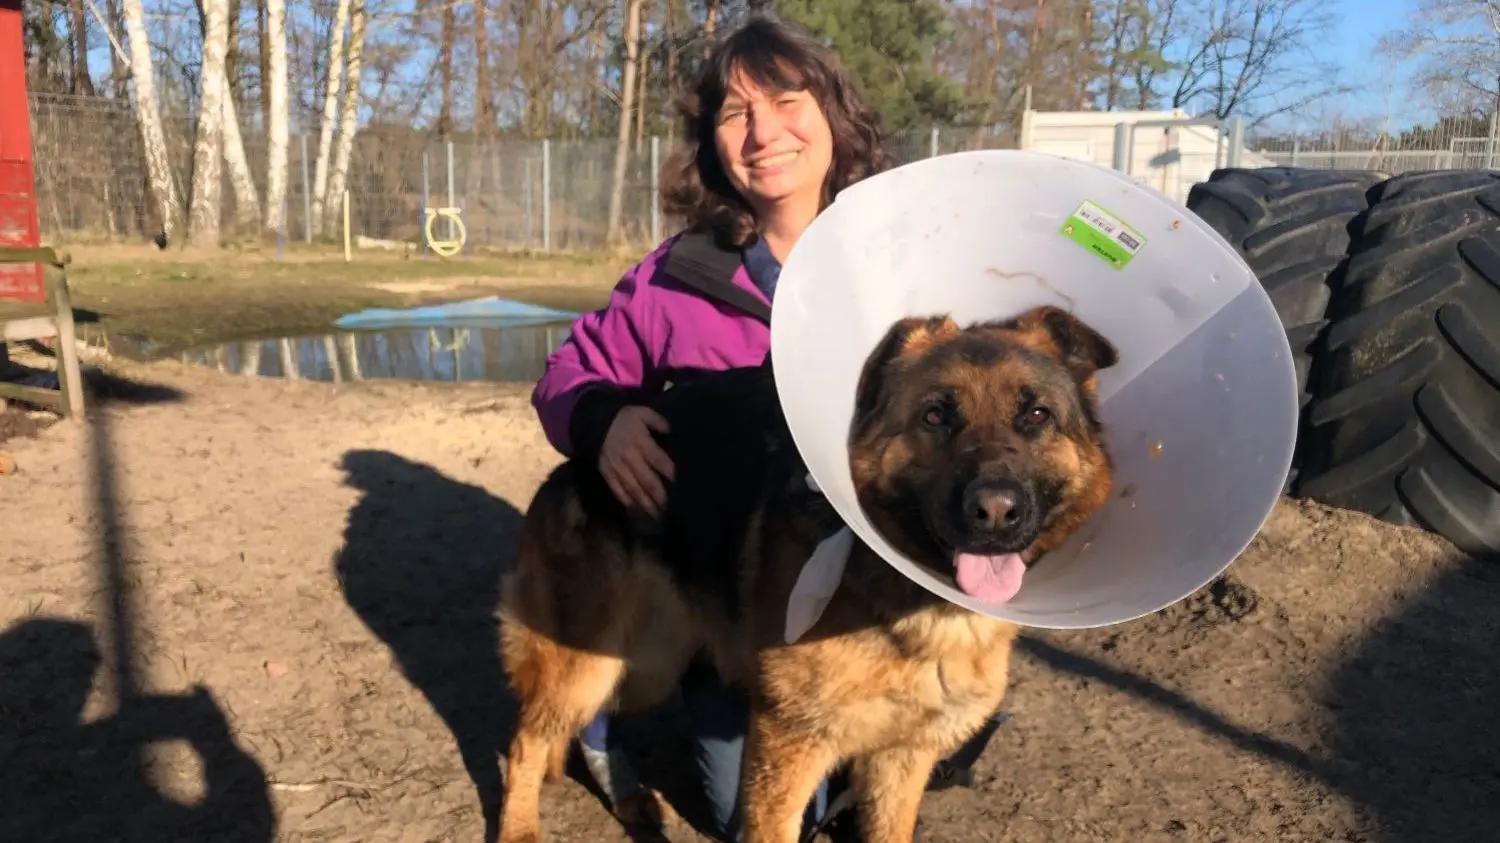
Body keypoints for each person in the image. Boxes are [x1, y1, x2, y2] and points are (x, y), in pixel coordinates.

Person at [529, 13, 1009, 841]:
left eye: (787, 100)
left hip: (890, 575)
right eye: (733, 114)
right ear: (711, 144)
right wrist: (601, 418)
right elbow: (566, 376)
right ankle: (614, 719)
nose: (763, 133)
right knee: (742, 809)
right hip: (747, 584)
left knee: (937, 725)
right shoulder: (676, 275)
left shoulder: (911, 264)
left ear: (833, 115)